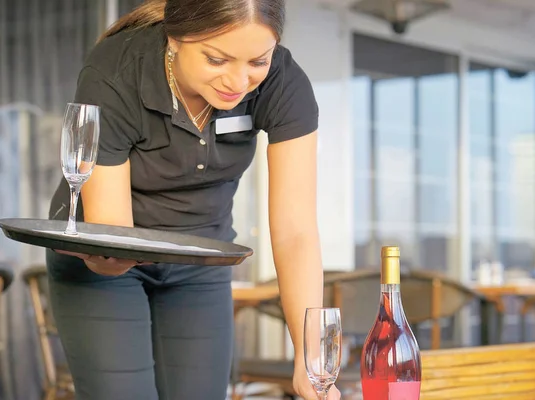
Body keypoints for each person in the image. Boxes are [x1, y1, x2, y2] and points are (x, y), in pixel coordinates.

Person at [46, 0, 341, 399]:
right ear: (176, 37)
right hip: (107, 258)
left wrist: (310, 358)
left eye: (258, 60)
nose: (238, 81)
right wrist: (104, 252)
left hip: (199, 259)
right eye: (217, 59)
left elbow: (296, 231)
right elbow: (115, 236)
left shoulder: (284, 83)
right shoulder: (116, 71)